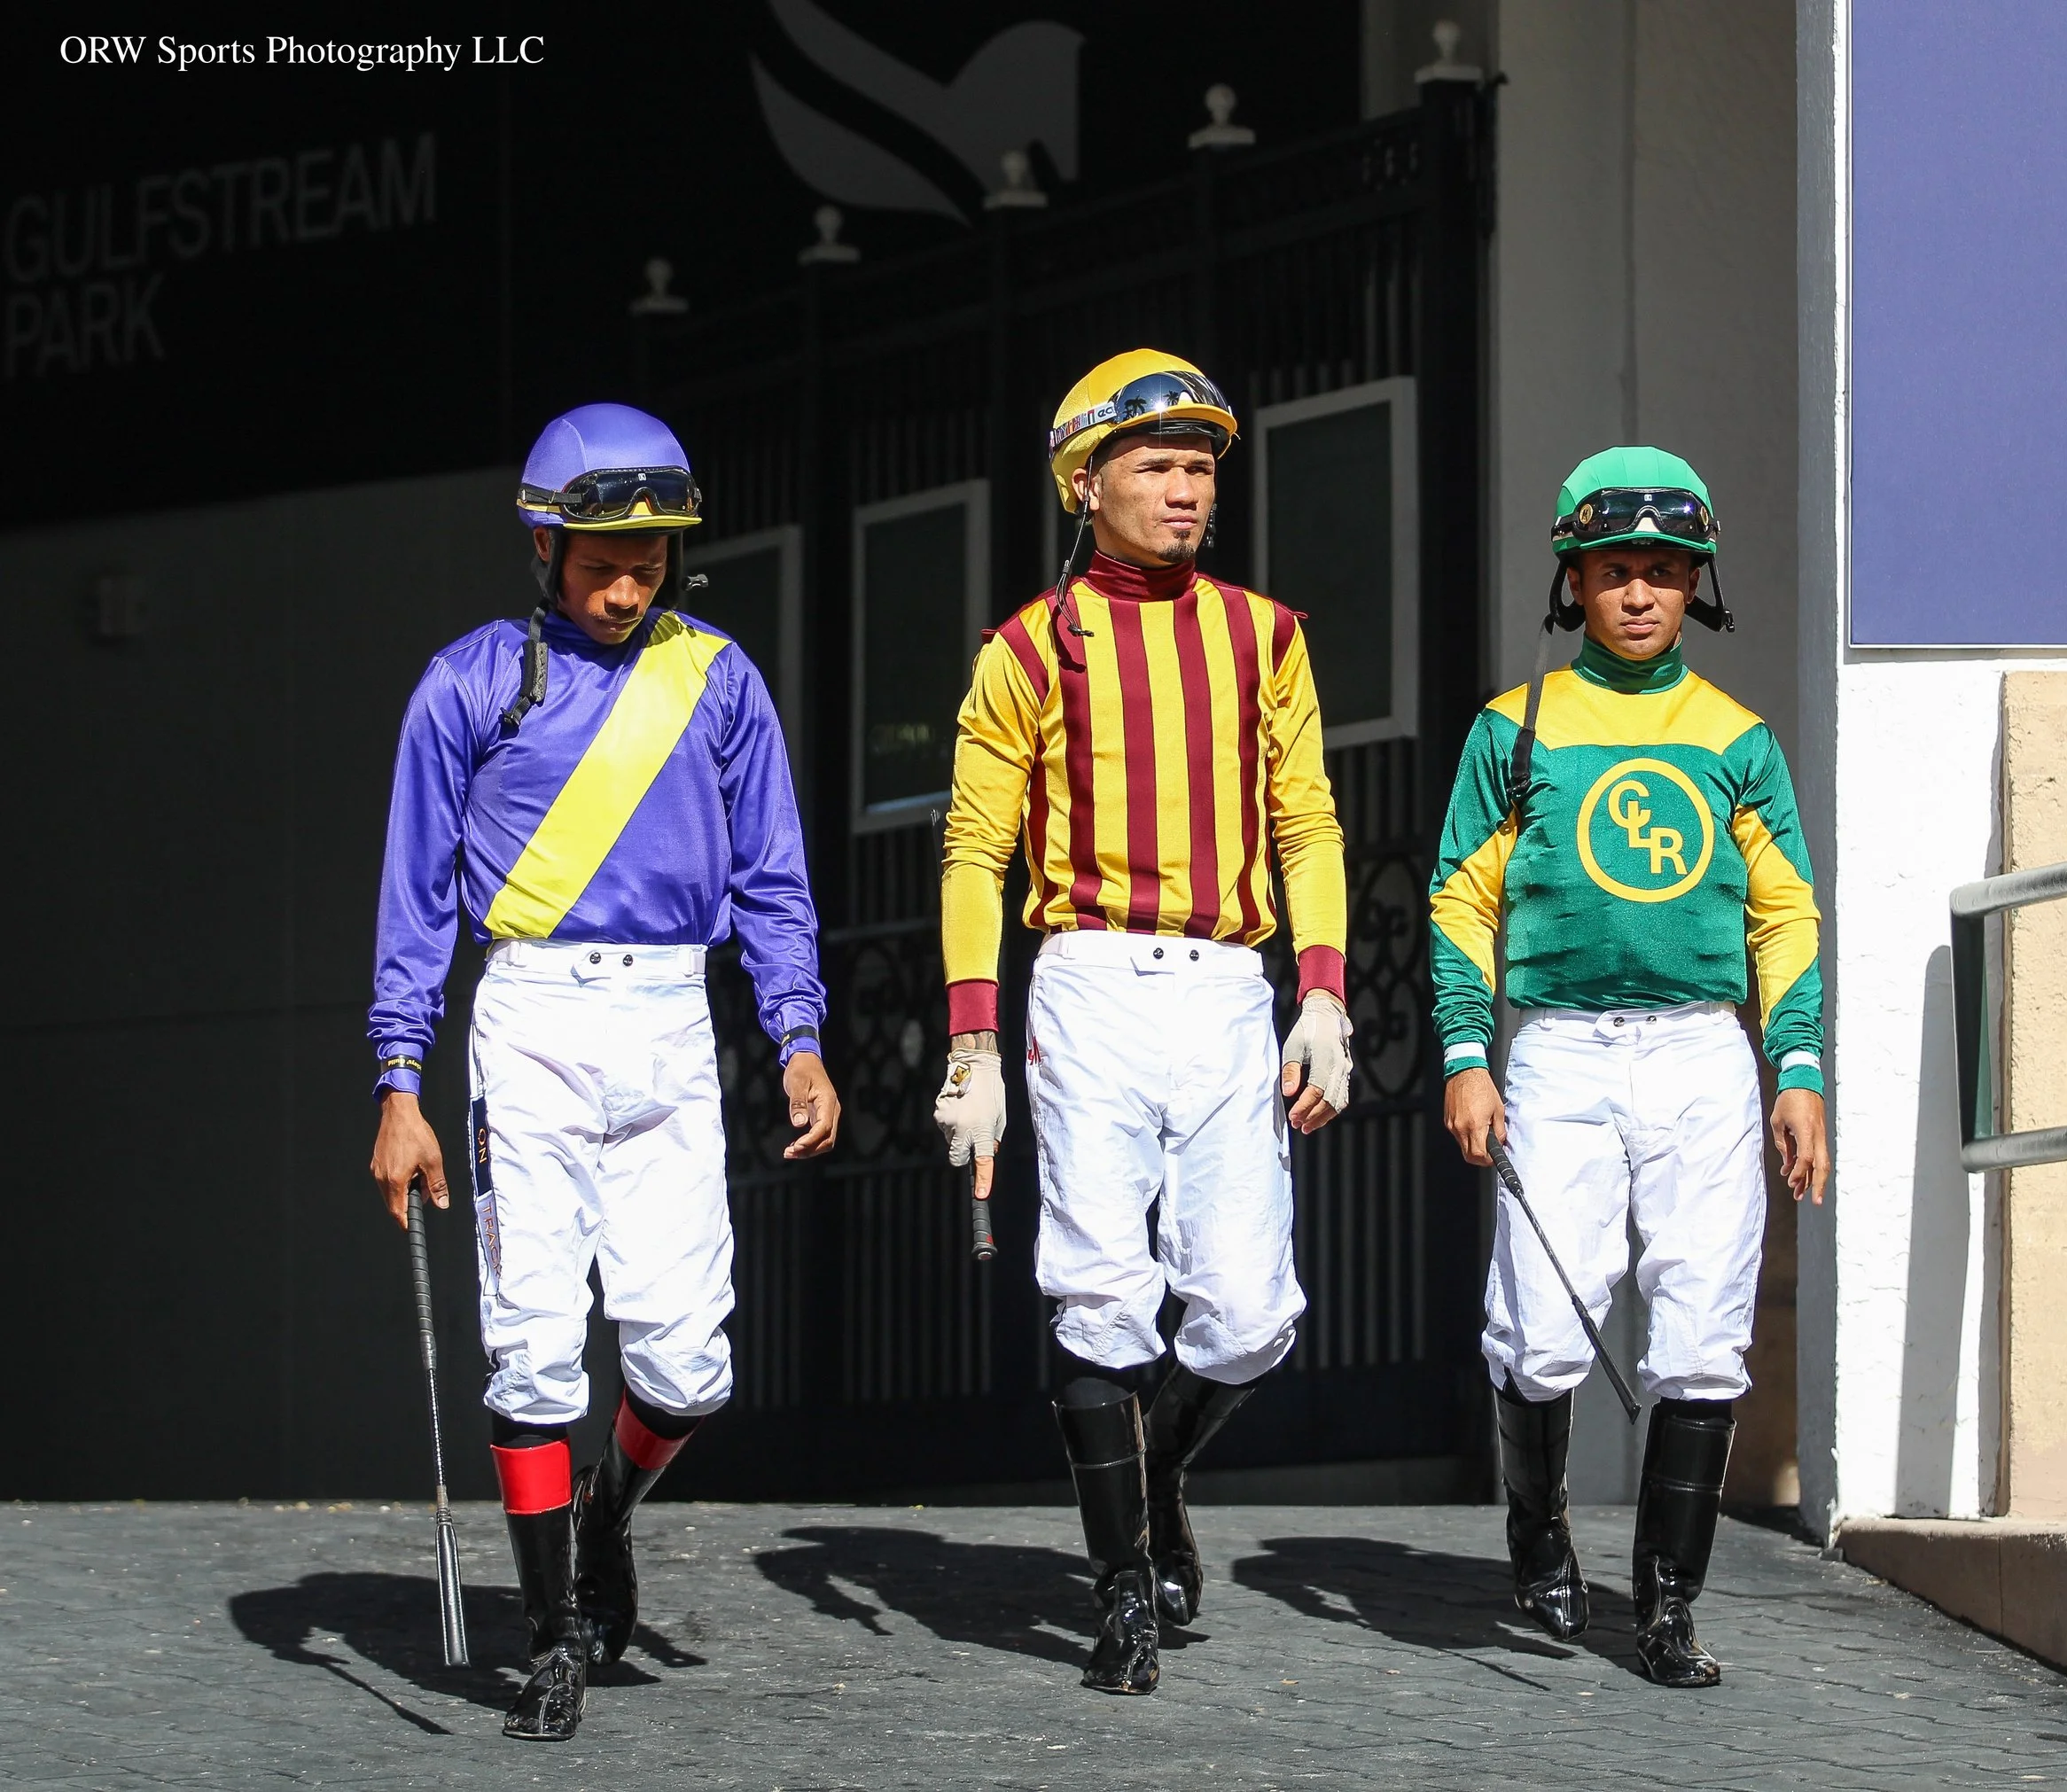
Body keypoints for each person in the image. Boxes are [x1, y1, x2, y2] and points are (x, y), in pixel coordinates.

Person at [366, 402, 840, 1741]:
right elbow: (413, 900)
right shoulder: (466, 683)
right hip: (527, 1022)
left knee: (689, 1369)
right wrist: (399, 1084)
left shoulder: (722, 678)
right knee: (531, 1345)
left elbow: (775, 879)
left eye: (650, 557)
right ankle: (550, 1634)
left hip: (673, 1021)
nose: (627, 583)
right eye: (601, 558)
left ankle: (602, 1513)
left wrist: (797, 1033)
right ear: (543, 543)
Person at [932, 350, 1353, 1695]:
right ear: (1085, 481)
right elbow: (972, 849)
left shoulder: (1267, 634)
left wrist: (1328, 993)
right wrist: (974, 1040)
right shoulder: (1024, 648)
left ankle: (1159, 1461)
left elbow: (1307, 821)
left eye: (1202, 468)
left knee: (1246, 1313)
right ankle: (1119, 1589)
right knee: (1101, 1286)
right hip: (1088, 977)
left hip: (1230, 984)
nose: (1186, 490)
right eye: (1158, 466)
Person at [1429, 447, 1829, 1688]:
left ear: (1696, 584)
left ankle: (1666, 1604)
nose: (1642, 593)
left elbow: (1785, 912)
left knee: (1705, 1330)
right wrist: (1465, 1052)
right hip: (1555, 1051)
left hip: (1705, 1050)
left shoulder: (1737, 739)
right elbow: (1457, 900)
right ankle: (1538, 1526)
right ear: (1575, 583)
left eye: (1665, 571)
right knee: (1542, 1334)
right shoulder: (1514, 727)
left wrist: (1798, 1064)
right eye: (1616, 572)